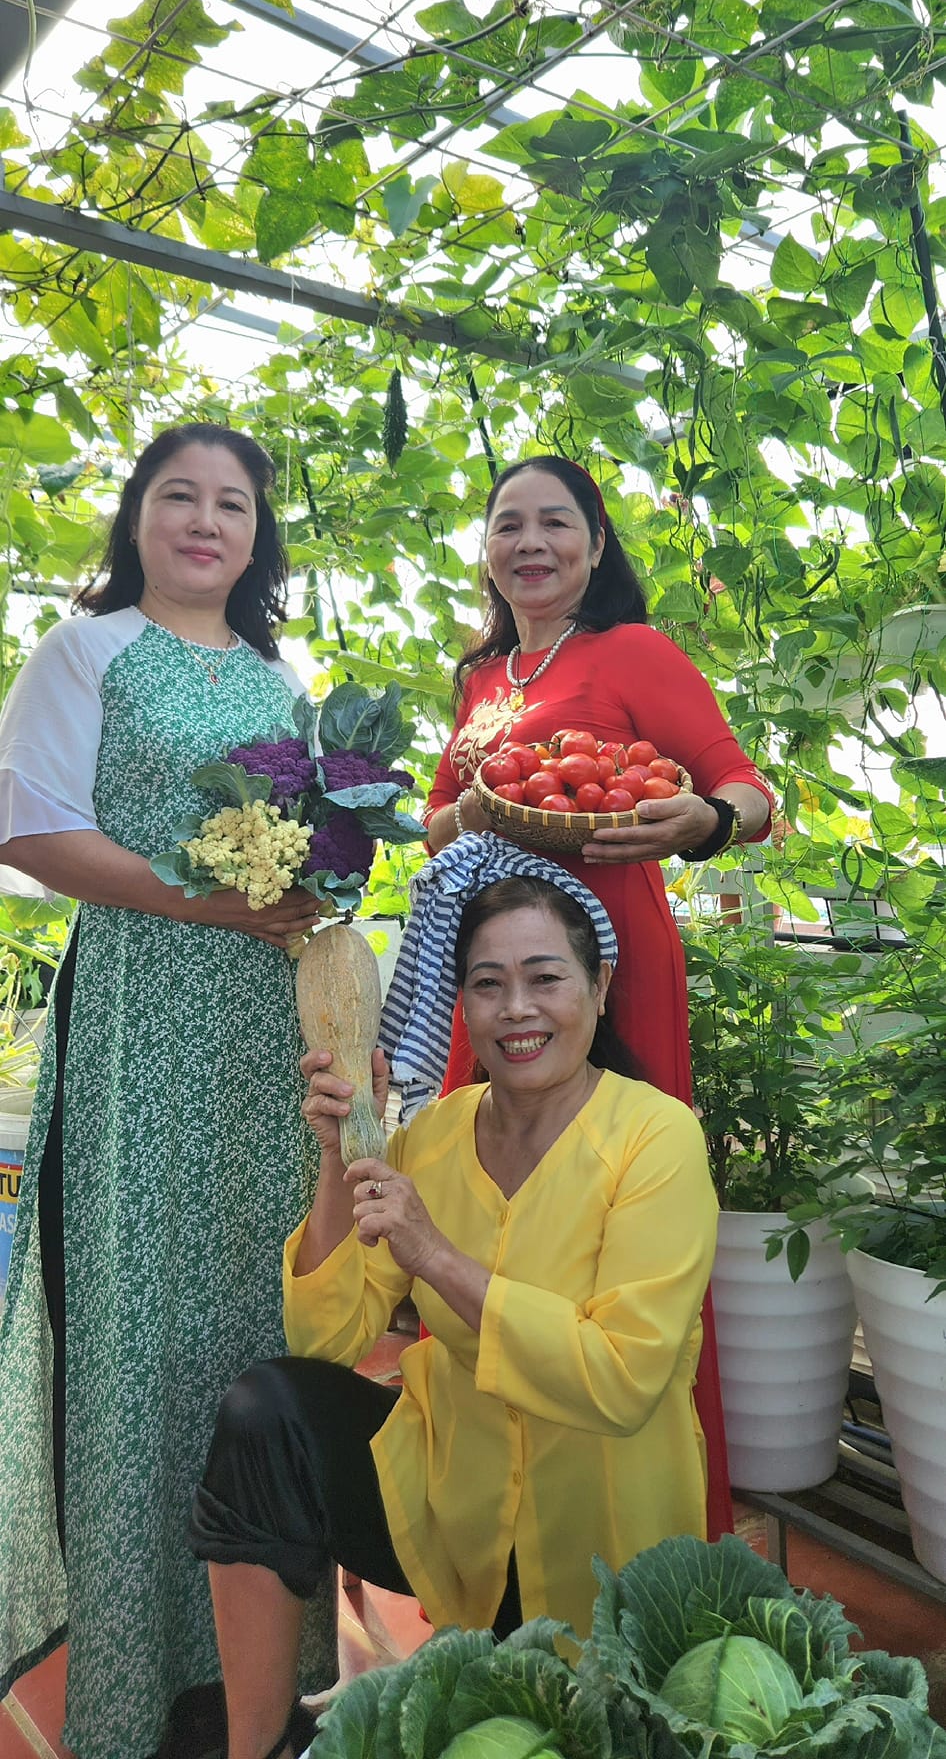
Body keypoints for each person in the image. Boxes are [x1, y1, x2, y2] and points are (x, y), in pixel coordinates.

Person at [190, 861, 718, 1759]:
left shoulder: (655, 1137)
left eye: (545, 978)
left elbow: (624, 1378)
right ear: (461, 1004)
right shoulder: (432, 1135)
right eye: (488, 984)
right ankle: (258, 1747)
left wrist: (436, 1254)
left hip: (597, 1536)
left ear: (599, 988)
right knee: (266, 1411)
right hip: (448, 1502)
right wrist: (341, 1152)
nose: (517, 1009)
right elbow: (325, 1337)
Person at [0, 424, 333, 1759]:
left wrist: (320, 884)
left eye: (231, 503)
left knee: (258, 1311)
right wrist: (210, 901)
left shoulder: (278, 679)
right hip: (138, 1027)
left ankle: (260, 1680)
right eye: (178, 495)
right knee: (133, 1327)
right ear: (136, 516)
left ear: (257, 538)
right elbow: (32, 830)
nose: (205, 520)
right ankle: (141, 1681)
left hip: (262, 1034)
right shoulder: (85, 652)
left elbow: (308, 847)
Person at [423, 454, 774, 1537]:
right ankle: (494, 1501)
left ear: (596, 541)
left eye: (555, 522)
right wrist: (474, 816)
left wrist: (704, 823)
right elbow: (436, 820)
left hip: (609, 966)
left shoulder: (633, 651)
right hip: (491, 963)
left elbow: (745, 788)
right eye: (508, 524)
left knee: (620, 1200)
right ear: (487, 547)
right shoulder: (480, 678)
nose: (529, 542)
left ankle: (649, 1510)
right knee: (486, 1188)